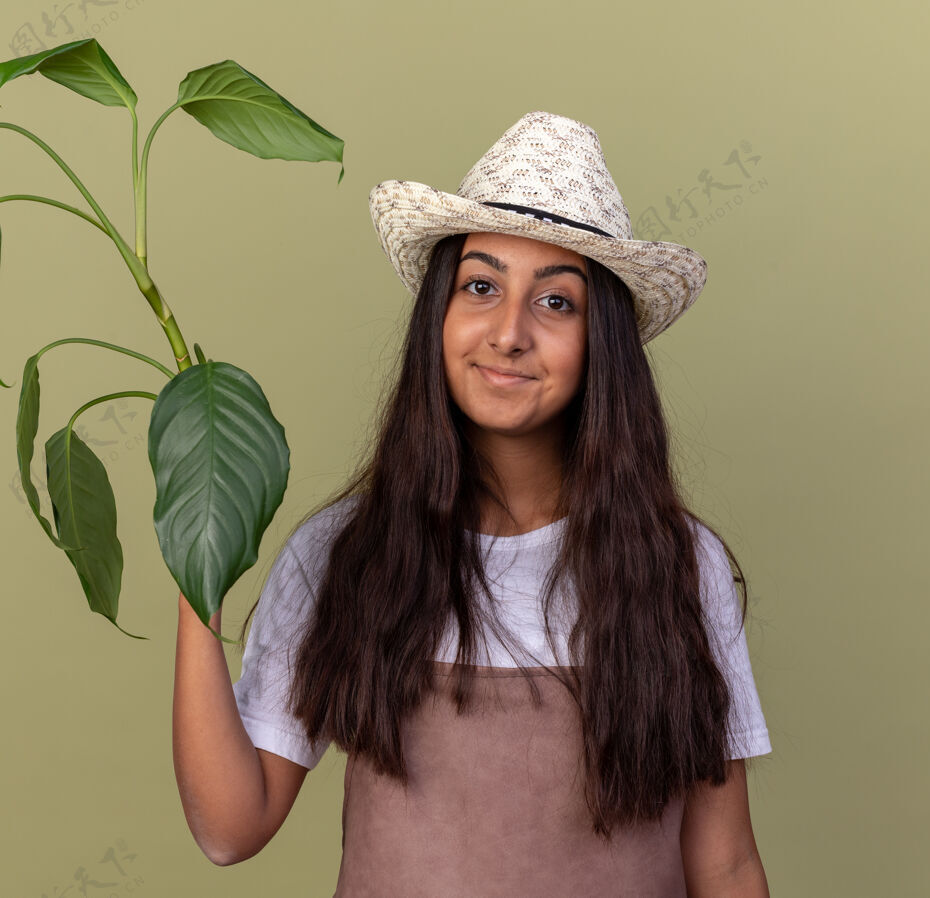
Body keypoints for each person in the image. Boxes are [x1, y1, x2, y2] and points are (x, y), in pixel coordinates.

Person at [172, 111, 773, 897]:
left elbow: (723, 862)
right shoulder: (344, 553)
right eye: (481, 287)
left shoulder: (677, 564)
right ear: (439, 317)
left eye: (556, 302)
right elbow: (229, 829)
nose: (509, 332)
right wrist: (195, 560)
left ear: (604, 346)